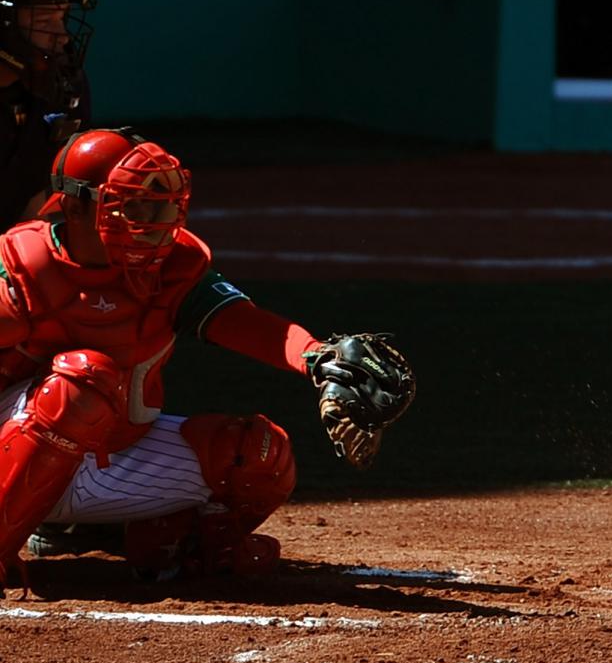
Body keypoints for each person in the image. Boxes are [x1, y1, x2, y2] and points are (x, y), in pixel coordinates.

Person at [0, 127, 414, 587]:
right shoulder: (21, 265)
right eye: (135, 205)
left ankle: (152, 541)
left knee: (258, 456)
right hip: (12, 447)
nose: (153, 222)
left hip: (109, 455)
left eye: (161, 207)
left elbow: (246, 322)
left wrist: (317, 357)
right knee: (82, 382)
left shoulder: (172, 266)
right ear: (76, 205)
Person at [0, 0, 95, 227]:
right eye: (44, 23)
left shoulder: (57, 91)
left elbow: (32, 205)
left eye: (63, 18)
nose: (63, 36)